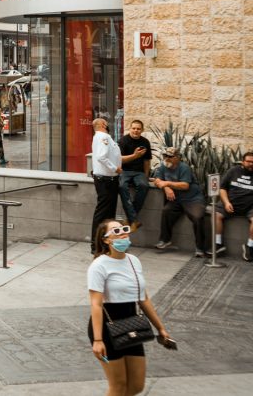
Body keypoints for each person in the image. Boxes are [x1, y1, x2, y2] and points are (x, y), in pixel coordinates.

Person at [88, 220, 172, 396]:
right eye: (116, 231)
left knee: (136, 386)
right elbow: (96, 304)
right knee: (118, 386)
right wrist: (97, 340)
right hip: (106, 328)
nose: (122, 233)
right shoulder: (99, 265)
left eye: (124, 229)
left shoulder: (134, 261)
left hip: (132, 324)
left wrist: (161, 328)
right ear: (106, 240)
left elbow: (143, 299)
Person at [151, 147, 208, 256]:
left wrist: (166, 184)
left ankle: (200, 248)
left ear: (178, 158)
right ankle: (165, 240)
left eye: (170, 157)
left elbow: (185, 185)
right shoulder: (163, 166)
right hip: (177, 200)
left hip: (193, 199)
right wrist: (166, 188)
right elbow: (157, 180)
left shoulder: (184, 168)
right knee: (166, 211)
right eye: (165, 156)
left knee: (198, 217)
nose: (167, 158)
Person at [91, 118, 123, 254]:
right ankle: (96, 244)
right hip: (106, 180)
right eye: (106, 123)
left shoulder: (100, 137)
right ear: (103, 125)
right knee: (103, 213)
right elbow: (101, 157)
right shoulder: (103, 137)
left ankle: (104, 242)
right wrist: (115, 168)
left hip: (108, 179)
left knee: (108, 213)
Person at [213, 150, 253, 260]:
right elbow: (222, 188)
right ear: (243, 162)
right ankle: (218, 244)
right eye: (248, 161)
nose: (251, 164)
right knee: (216, 214)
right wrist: (226, 202)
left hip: (250, 206)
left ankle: (249, 246)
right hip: (230, 202)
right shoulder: (233, 171)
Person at [118, 120, 152, 230]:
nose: (136, 131)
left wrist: (146, 176)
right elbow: (120, 160)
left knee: (144, 185)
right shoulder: (123, 141)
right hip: (125, 171)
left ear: (142, 130)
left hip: (139, 172)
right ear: (130, 128)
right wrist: (135, 155)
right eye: (133, 128)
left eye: (138, 129)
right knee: (122, 186)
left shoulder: (145, 142)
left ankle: (131, 219)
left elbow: (147, 161)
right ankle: (133, 219)